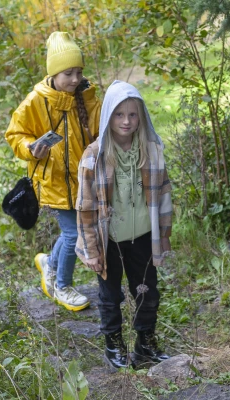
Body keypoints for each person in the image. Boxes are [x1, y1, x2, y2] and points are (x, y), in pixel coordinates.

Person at [75, 80, 172, 369]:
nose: (127, 121)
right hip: (110, 241)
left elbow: (164, 195)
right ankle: (114, 345)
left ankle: (145, 343)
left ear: (140, 115)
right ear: (108, 116)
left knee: (147, 291)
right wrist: (92, 250)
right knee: (110, 295)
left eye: (132, 114)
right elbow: (85, 207)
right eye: (119, 115)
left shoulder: (151, 150)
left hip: (143, 236)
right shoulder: (94, 156)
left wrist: (163, 238)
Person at [5, 31, 101, 311]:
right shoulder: (36, 100)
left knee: (72, 231)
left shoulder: (88, 96)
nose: (75, 79)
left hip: (84, 179)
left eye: (79, 72)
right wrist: (30, 147)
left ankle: (49, 263)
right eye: (68, 73)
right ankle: (62, 286)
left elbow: (98, 131)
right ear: (54, 73)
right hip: (54, 180)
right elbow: (14, 133)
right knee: (74, 234)